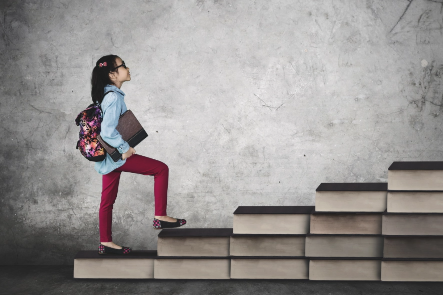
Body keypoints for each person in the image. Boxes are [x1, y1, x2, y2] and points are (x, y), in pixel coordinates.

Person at [91, 55, 187, 255]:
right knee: (161, 169)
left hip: (108, 159)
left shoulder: (107, 95)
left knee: (106, 202)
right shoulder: (114, 97)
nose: (127, 68)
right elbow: (107, 132)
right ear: (112, 74)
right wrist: (125, 148)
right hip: (117, 157)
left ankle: (105, 243)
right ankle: (160, 215)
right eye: (122, 65)